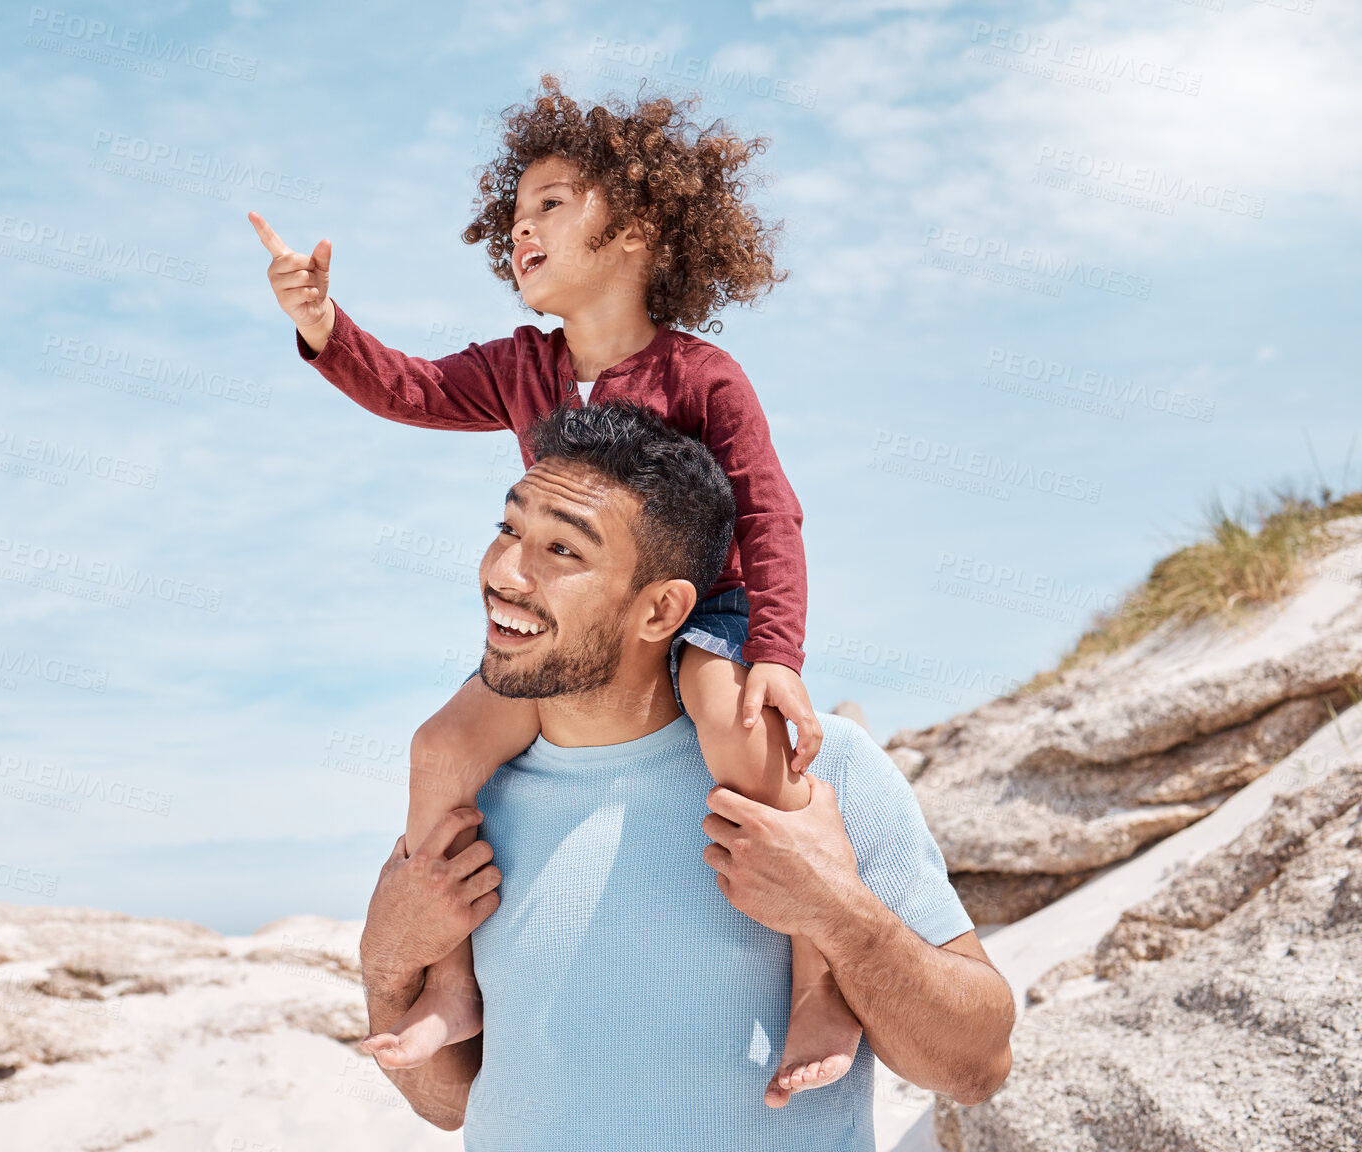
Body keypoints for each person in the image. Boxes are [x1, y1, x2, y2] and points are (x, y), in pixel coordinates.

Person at [251, 73, 858, 1098]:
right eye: (514, 212)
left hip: (702, 605)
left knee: (740, 739)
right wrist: (323, 326)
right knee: (438, 748)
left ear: (634, 231)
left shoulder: (703, 376)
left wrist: (776, 659)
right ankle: (451, 984)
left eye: (549, 206)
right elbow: (410, 388)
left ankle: (816, 985)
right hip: (571, 625)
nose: (520, 231)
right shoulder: (518, 367)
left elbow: (768, 514)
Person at [357, 402, 1014, 1146]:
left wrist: (836, 914)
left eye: (563, 552)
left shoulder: (811, 772)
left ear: (661, 608)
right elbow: (446, 1104)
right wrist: (387, 963)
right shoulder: (473, 789)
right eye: (509, 529)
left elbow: (977, 1066)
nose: (504, 574)